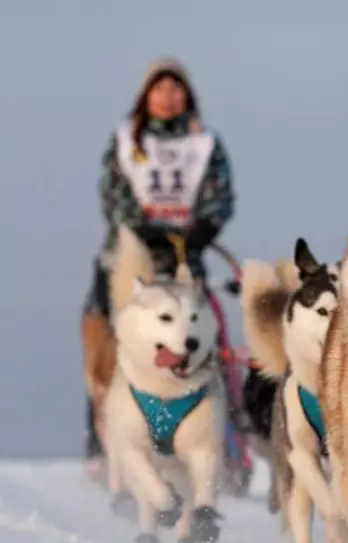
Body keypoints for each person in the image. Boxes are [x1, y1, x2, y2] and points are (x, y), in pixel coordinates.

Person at [82, 57, 251, 492]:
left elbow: (220, 195)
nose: (168, 96)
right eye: (160, 88)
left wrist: (204, 228)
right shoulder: (125, 141)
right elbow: (113, 193)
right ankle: (102, 444)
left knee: (206, 342)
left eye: (176, 88)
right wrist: (140, 228)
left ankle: (227, 447)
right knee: (109, 344)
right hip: (128, 257)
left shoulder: (206, 144)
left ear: (187, 95)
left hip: (184, 260)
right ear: (146, 94)